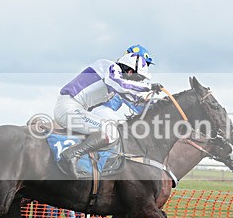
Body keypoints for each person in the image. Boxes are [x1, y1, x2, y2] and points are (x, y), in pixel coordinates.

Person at [53, 44, 162, 175]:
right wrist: (148, 87)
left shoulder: (115, 85)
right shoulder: (108, 66)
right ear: (130, 71)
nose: (138, 82)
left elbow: (132, 98)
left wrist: (157, 103)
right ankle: (71, 155)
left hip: (75, 109)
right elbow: (120, 84)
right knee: (111, 131)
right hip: (68, 108)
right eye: (137, 79)